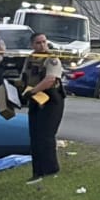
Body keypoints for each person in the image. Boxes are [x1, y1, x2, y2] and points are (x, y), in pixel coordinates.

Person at [19, 33, 65, 185]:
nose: (42, 45)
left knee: (46, 136)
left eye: (44, 42)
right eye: (38, 43)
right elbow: (23, 78)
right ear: (32, 45)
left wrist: (33, 91)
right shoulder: (30, 59)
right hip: (35, 98)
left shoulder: (52, 59)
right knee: (35, 136)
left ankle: (51, 170)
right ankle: (37, 172)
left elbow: (50, 80)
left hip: (51, 99)